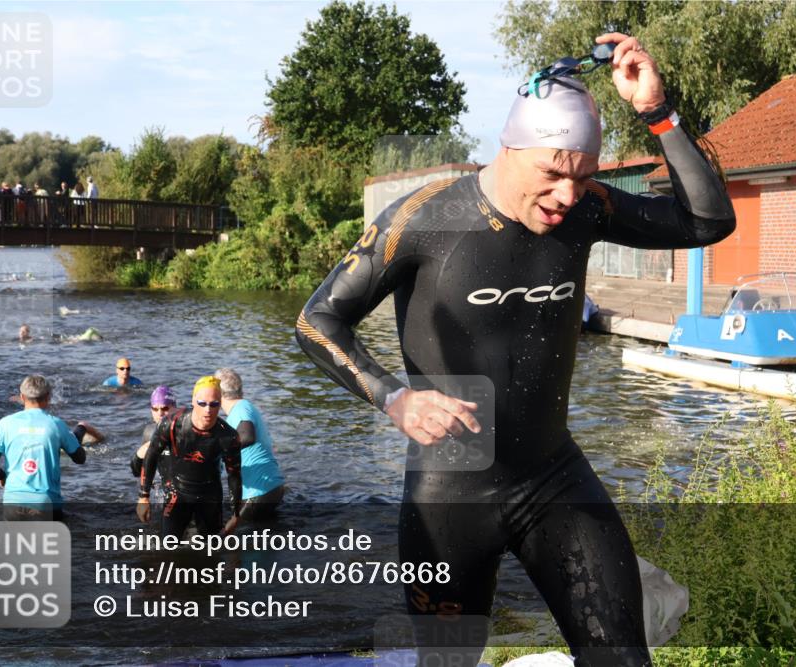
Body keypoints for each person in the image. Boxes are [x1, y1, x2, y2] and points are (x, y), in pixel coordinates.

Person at [296, 33, 735, 667]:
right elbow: (318, 320)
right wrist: (394, 397)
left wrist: (657, 112)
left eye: (583, 177)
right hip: (450, 494)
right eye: (552, 173)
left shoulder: (587, 209)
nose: (565, 196)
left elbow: (707, 222)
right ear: (509, 149)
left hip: (553, 474)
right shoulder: (424, 219)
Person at [137, 376, 241, 538]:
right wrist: (143, 498)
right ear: (193, 401)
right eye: (202, 403)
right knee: (168, 548)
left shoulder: (228, 436)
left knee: (212, 550)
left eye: (214, 404)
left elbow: (234, 475)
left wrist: (236, 515)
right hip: (178, 492)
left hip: (210, 495)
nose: (208, 410)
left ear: (220, 404)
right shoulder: (171, 424)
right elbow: (151, 456)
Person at [0, 375, 88, 520]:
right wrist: (79, 432)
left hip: (13, 504)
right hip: (47, 504)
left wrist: (2, 476)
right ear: (48, 397)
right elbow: (80, 458)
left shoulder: (5, 424)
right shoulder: (56, 425)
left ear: (22, 397)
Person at [215, 368, 286, 520]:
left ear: (218, 394)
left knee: (231, 536)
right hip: (270, 488)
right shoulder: (243, 408)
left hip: (259, 492)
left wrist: (219, 451)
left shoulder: (241, 408)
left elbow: (247, 436)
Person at [129, 385, 177, 492]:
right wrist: (140, 454)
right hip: (165, 488)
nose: (160, 413)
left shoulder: (185, 428)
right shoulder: (150, 432)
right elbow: (137, 471)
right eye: (155, 409)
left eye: (165, 408)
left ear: (175, 408)